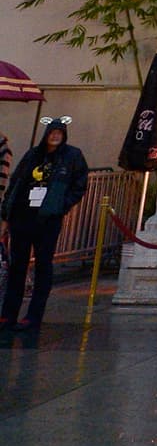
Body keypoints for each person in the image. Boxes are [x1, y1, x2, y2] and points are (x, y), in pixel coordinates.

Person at [0, 117, 89, 336]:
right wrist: (6, 214)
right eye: (52, 132)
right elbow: (16, 182)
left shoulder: (72, 156)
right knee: (17, 266)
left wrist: (62, 205)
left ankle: (33, 315)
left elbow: (80, 184)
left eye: (59, 133)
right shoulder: (33, 155)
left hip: (48, 218)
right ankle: (8, 314)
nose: (55, 136)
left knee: (43, 266)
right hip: (23, 216)